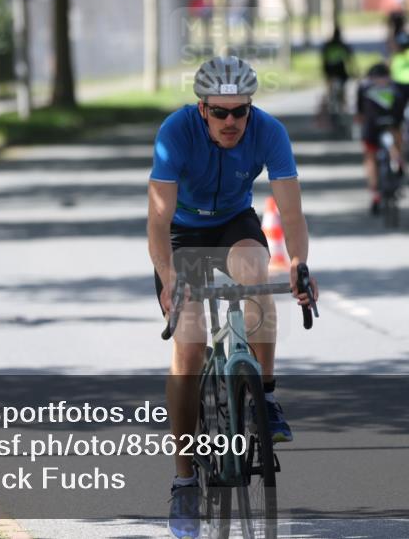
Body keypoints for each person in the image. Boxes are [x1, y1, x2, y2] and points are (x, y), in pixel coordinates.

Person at [147, 56, 319, 539]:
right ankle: (184, 481)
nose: (230, 122)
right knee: (191, 341)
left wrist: (302, 265)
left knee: (255, 270)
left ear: (250, 108)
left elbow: (292, 213)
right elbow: (157, 222)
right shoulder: (175, 133)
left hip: (233, 225)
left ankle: (263, 397)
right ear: (202, 110)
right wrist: (167, 278)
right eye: (219, 112)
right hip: (181, 234)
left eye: (239, 112)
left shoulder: (269, 132)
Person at [356, 62, 405, 215]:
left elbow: (359, 113)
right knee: (397, 136)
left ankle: (375, 193)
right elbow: (401, 112)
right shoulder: (395, 88)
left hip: (371, 127)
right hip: (392, 124)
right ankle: (398, 161)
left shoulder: (364, 87)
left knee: (370, 157)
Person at [320, 26, 354, 122]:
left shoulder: (328, 45)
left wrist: (324, 72)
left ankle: (329, 104)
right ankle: (343, 106)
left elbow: (323, 59)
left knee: (330, 90)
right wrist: (354, 71)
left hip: (329, 71)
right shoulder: (343, 45)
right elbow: (350, 60)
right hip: (340, 71)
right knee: (342, 90)